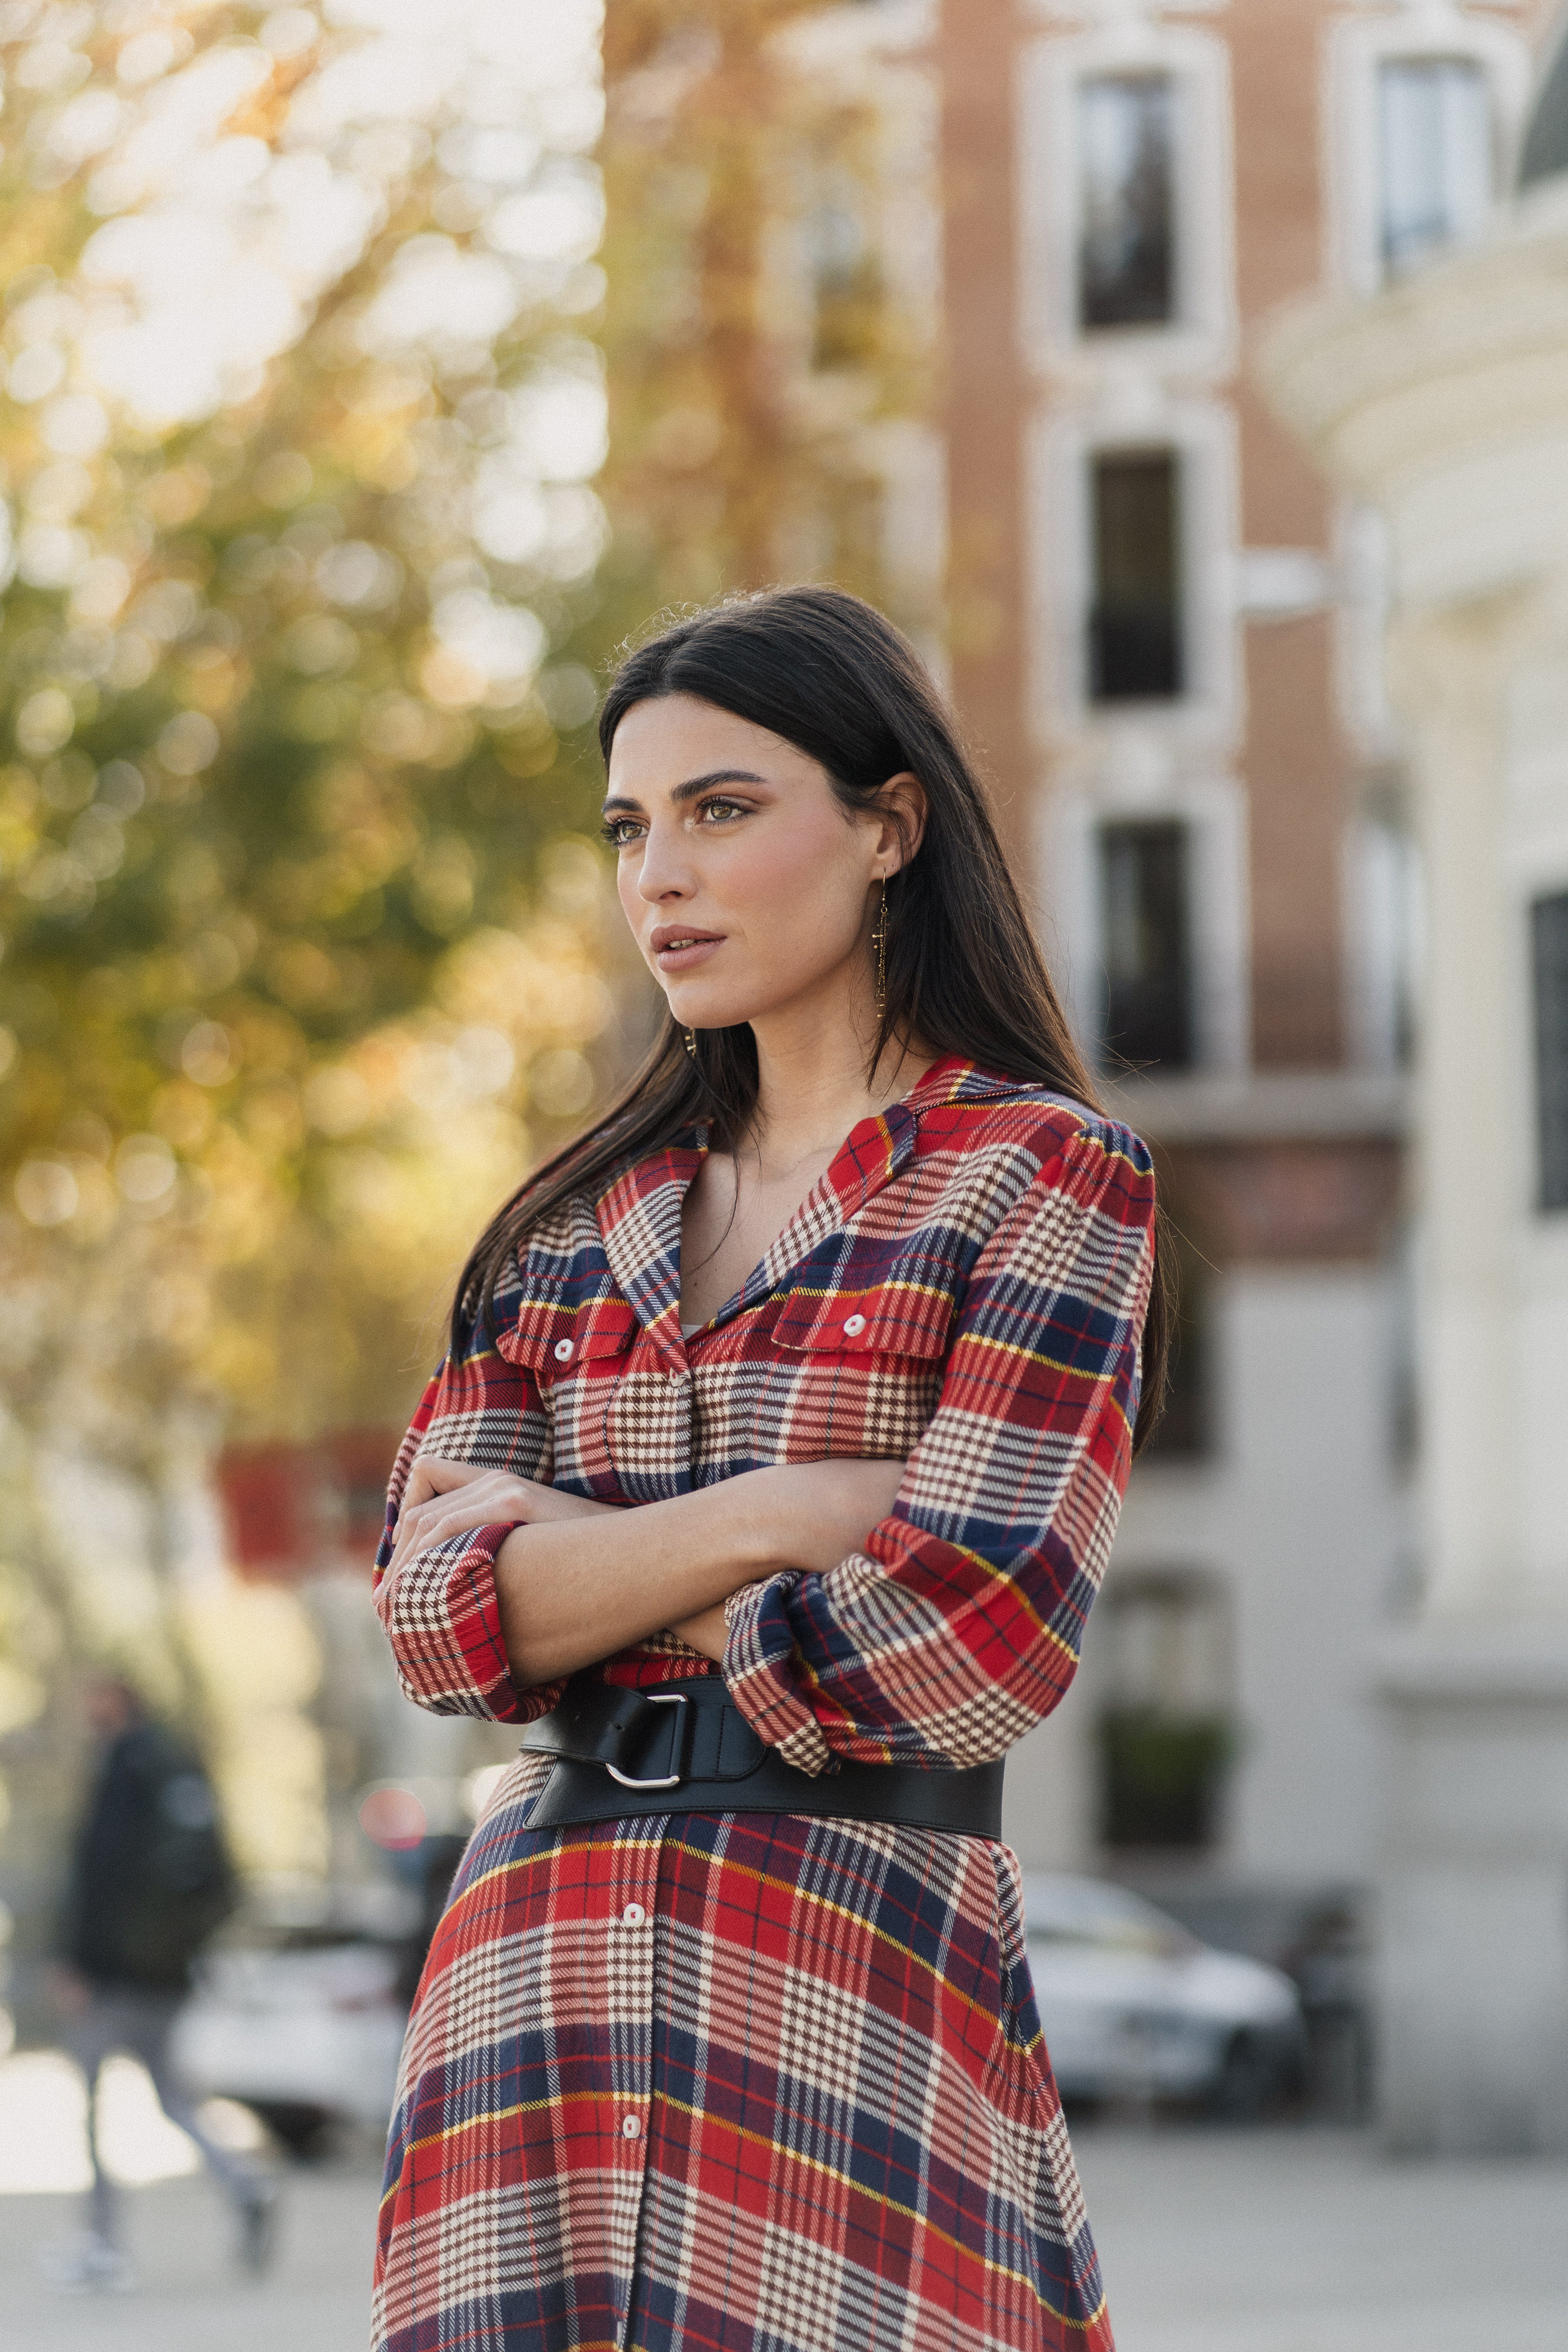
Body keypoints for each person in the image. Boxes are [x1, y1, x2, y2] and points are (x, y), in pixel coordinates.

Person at [370, 586, 1164, 2352]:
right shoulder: (568, 1229)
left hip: (849, 1983)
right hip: (535, 1994)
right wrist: (786, 1519)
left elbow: (963, 1647)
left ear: (888, 827)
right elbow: (431, 1627)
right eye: (629, 828)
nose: (659, 874)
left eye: (721, 811)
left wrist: (571, 1575)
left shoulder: (1038, 1180)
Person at [47, 1673, 277, 2290]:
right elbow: (219, 1880)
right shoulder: (178, 1769)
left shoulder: (125, 1772)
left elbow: (99, 1875)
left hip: (115, 1976)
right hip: (168, 1972)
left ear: (116, 1702)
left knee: (92, 2105)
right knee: (172, 2097)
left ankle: (101, 2243)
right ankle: (243, 2183)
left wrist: (78, 1962)